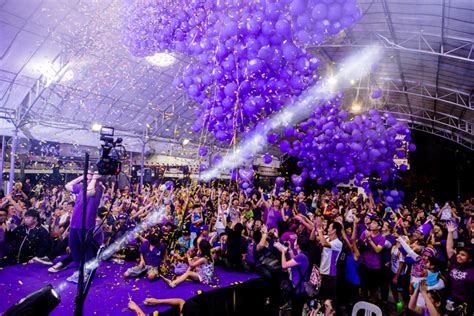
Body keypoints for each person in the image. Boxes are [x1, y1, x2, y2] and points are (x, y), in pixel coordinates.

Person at [65, 168, 103, 282]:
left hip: (86, 223)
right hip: (75, 222)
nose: (90, 175)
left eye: (93, 174)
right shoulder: (81, 187)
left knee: (85, 248)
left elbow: (90, 192)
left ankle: (87, 272)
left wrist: (95, 178)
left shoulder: (98, 188)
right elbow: (67, 186)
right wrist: (82, 177)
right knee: (73, 246)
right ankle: (79, 270)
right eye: (89, 173)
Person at [446, 222, 474, 315]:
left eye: (463, 255)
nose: (459, 256)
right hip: (451, 298)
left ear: (469, 259)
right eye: (458, 254)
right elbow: (449, 249)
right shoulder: (455, 262)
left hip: (466, 303)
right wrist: (450, 232)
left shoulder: (472, 270)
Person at [279, 235, 310, 316]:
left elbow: (284, 265)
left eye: (295, 241)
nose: (294, 242)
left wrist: (282, 252)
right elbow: (294, 259)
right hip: (299, 288)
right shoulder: (303, 254)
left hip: (298, 290)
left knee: (296, 312)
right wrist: (289, 248)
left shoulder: (301, 256)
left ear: (298, 245)